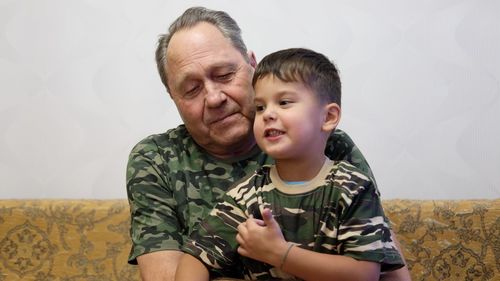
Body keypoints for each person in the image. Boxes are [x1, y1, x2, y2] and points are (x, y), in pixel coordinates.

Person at [126, 6, 411, 281]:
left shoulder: (327, 149)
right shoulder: (158, 160)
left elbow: (385, 273)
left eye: (225, 75)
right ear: (173, 97)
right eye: (191, 89)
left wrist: (282, 256)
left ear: (252, 66)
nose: (214, 98)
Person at [175, 48, 405, 281]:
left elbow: (364, 274)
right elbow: (196, 256)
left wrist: (280, 253)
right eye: (260, 107)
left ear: (328, 117)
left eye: (284, 102)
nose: (267, 115)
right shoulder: (246, 194)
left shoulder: (353, 188)